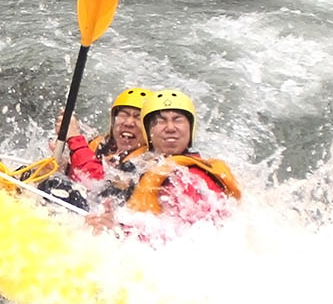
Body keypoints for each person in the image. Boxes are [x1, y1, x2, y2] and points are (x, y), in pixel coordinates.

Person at [101, 89, 242, 233]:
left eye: (177, 120)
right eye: (160, 121)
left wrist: (117, 230)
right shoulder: (146, 166)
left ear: (191, 128)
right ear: (148, 132)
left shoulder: (191, 179)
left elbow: (191, 239)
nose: (170, 128)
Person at [15, 87, 152, 188]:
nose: (128, 122)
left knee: (55, 186)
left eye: (137, 117)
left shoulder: (148, 161)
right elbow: (81, 175)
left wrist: (74, 139)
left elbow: (98, 184)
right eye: (124, 115)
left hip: (108, 219)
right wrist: (64, 167)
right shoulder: (101, 144)